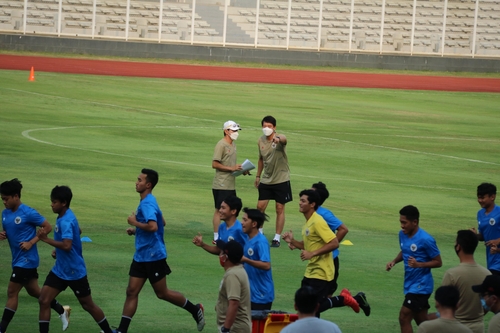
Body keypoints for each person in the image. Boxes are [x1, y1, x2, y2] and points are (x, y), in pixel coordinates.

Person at [115, 169, 205, 333]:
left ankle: (195, 309)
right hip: (141, 255)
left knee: (162, 293)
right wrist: (136, 230)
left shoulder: (148, 203)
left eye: (140, 180)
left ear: (148, 185)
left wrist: (135, 222)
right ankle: (121, 330)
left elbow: (154, 226)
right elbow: (161, 221)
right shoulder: (148, 201)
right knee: (131, 291)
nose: (136, 182)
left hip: (153, 255)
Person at [36, 185, 114, 333]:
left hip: (74, 271)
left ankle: (108, 331)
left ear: (63, 203)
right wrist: (57, 249)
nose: (51, 204)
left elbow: (66, 245)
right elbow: (77, 231)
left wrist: (46, 239)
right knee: (44, 300)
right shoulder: (65, 216)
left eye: (54, 202)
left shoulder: (66, 220)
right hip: (60, 270)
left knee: (88, 305)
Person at [282, 189, 369, 317]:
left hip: (322, 272)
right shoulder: (308, 223)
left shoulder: (318, 221)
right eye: (300, 200)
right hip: (311, 271)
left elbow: (334, 243)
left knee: (312, 308)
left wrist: (312, 254)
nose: (299, 203)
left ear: (312, 204)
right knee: (306, 306)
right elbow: (308, 246)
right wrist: (293, 242)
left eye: (303, 201)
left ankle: (346, 299)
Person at [0, 179, 70, 333]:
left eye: (6, 199)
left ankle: (1, 329)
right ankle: (62, 310)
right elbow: (10, 231)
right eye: (2, 199)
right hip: (17, 259)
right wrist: (2, 234)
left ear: (16, 196)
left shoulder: (28, 212)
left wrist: (31, 242)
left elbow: (47, 226)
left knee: (12, 292)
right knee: (36, 292)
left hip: (27, 260)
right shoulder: (4, 214)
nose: (4, 202)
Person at [386, 205, 442, 333]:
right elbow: (404, 251)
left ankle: (448, 319)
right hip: (410, 283)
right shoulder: (402, 234)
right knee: (423, 321)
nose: (402, 226)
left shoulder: (426, 239)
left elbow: (438, 262)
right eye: (401, 222)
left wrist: (419, 265)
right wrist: (394, 261)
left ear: (415, 222)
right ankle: (447, 319)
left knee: (404, 316)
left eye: (404, 222)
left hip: (421, 286)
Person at [429, 230, 490, 333]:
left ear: (459, 246)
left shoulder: (452, 274)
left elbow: (443, 305)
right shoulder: (487, 274)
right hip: (478, 327)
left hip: (455, 328)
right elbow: (488, 304)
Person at [254, 115, 292, 247]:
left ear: (274, 127)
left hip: (281, 178)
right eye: (264, 126)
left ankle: (277, 237)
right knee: (260, 207)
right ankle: (259, 232)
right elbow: (260, 159)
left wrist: (278, 138)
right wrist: (258, 176)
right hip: (266, 178)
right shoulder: (260, 140)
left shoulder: (279, 138)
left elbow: (284, 139)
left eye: (269, 126)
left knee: (279, 207)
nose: (267, 129)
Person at [311, 181, 349, 296]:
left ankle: (350, 299)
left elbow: (343, 229)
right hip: (317, 260)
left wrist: (331, 246)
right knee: (315, 300)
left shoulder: (324, 214)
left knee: (321, 299)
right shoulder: (311, 213)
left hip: (329, 261)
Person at [212, 120, 243, 244]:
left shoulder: (233, 145)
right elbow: (214, 164)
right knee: (219, 210)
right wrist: (232, 168)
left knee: (230, 211)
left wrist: (242, 170)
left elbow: (230, 165)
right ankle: (216, 236)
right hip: (221, 184)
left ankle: (227, 234)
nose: (236, 133)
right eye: (233, 130)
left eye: (236, 131)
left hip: (230, 184)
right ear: (226, 131)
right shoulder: (221, 144)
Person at [240, 208, 274, 310]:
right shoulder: (248, 239)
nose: (242, 223)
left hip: (262, 294)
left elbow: (266, 265)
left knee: (258, 326)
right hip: (251, 293)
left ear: (254, 224)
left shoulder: (261, 242)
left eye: (245, 220)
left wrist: (246, 260)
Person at [216, 240, 251, 333]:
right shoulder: (238, 270)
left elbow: (234, 303)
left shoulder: (233, 275)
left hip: (235, 328)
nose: (220, 254)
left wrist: (226, 329)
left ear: (226, 257)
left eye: (222, 252)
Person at [472, 183, 500, 275]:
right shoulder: (480, 214)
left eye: (483, 198)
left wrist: (498, 241)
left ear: (492, 197)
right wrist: (475, 235)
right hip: (491, 258)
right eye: (479, 197)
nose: (480, 200)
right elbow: (483, 236)